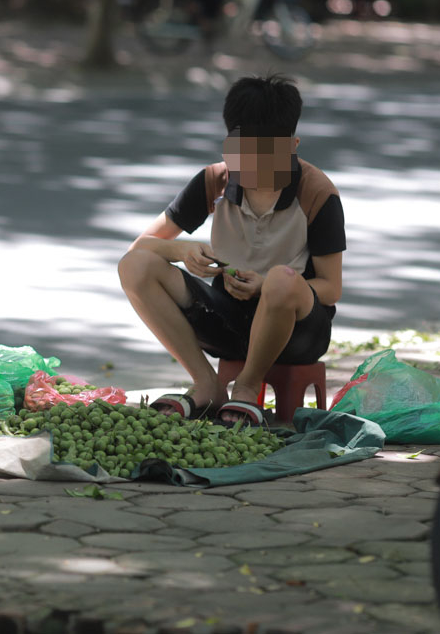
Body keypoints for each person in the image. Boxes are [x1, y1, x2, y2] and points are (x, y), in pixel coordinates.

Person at [117, 73, 345, 427]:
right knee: (135, 266)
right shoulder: (215, 181)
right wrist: (183, 250)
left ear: (292, 146)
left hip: (297, 332)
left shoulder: (317, 193)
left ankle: (247, 386)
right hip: (227, 322)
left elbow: (332, 287)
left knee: (281, 281)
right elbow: (141, 247)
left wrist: (266, 283)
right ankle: (206, 384)